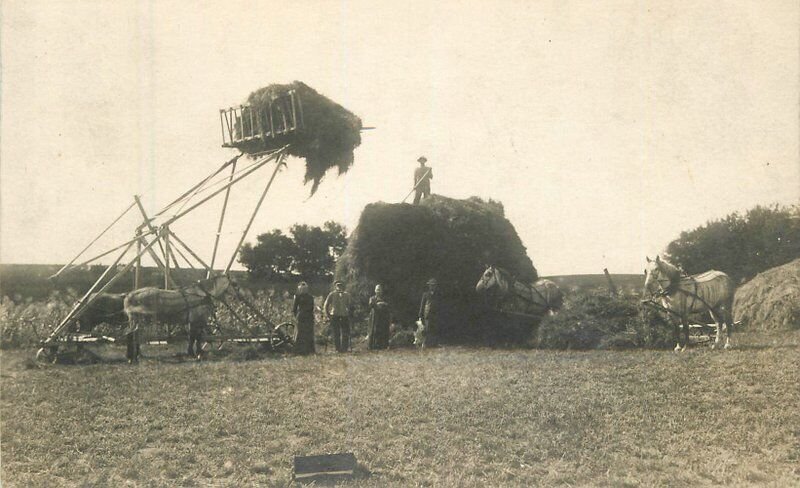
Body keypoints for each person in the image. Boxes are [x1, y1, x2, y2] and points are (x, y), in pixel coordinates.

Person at [324, 280, 352, 352]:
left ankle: (344, 348)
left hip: (344, 315)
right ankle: (338, 348)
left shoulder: (347, 295)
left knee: (345, 332)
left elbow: (350, 306)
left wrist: (349, 313)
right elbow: (326, 305)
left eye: (340, 285)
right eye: (337, 285)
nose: (339, 287)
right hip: (335, 315)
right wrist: (328, 315)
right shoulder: (331, 294)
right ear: (335, 286)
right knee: (336, 332)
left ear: (343, 286)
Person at [292, 281, 316, 354]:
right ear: (300, 289)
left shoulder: (310, 297)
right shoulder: (297, 297)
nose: (303, 290)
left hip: (308, 316)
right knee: (300, 333)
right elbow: (294, 308)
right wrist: (296, 316)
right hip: (301, 316)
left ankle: (309, 350)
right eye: (302, 289)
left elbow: (311, 307)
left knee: (309, 333)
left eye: (305, 289)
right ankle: (299, 350)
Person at [367, 284, 391, 350]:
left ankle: (382, 345)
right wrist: (378, 304)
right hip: (374, 317)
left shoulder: (385, 298)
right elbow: (371, 304)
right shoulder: (372, 298)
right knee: (373, 330)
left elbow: (387, 305)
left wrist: (381, 304)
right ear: (375, 290)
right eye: (377, 289)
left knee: (382, 330)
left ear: (382, 291)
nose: (378, 291)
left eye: (380, 290)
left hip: (383, 318)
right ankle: (372, 346)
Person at [418, 278, 441, 346]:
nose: (432, 287)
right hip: (427, 314)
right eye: (431, 285)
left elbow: (439, 304)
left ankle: (435, 343)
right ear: (429, 286)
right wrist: (420, 314)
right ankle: (425, 342)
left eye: (434, 285)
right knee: (427, 328)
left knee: (435, 329)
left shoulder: (438, 294)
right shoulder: (425, 294)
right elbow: (423, 305)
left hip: (435, 314)